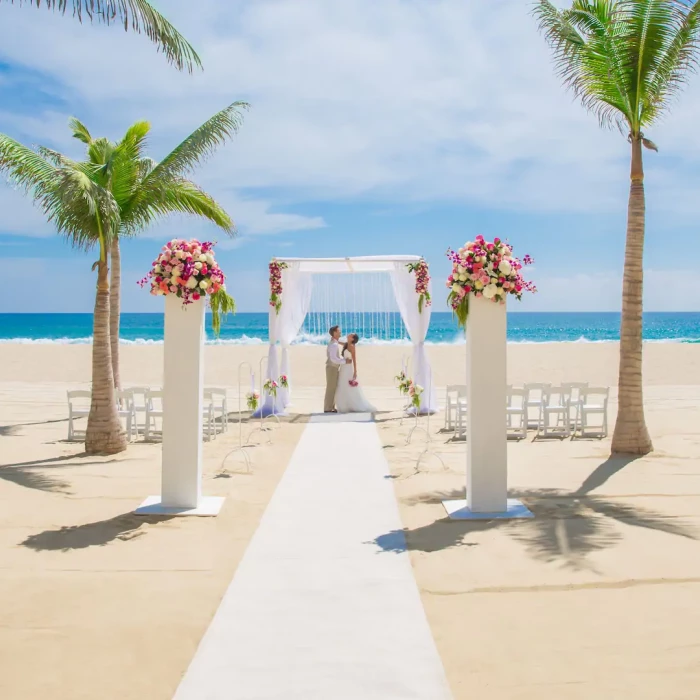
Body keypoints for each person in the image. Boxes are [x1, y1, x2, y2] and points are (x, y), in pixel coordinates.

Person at [334, 334, 376, 414]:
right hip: (343, 367)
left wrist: (355, 371)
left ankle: (352, 404)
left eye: (351, 335)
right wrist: (334, 339)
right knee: (341, 384)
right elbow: (339, 342)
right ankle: (344, 404)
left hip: (349, 368)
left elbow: (354, 359)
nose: (348, 335)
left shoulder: (352, 346)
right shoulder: (346, 344)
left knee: (348, 385)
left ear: (352, 339)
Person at [324, 325, 351, 413]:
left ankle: (331, 406)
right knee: (331, 388)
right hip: (332, 367)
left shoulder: (335, 342)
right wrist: (344, 361)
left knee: (333, 387)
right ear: (335, 333)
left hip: (333, 367)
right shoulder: (334, 345)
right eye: (338, 331)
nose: (340, 332)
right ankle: (328, 408)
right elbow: (333, 359)